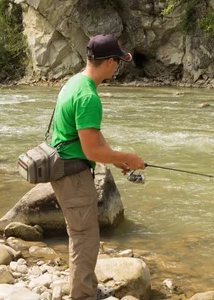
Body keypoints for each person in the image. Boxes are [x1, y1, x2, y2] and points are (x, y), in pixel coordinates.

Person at [50, 34, 145, 300]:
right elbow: (91, 149)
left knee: (82, 233)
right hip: (73, 175)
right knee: (84, 237)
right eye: (118, 61)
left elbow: (89, 137)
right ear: (110, 63)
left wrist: (117, 159)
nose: (117, 66)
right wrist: (130, 156)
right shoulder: (89, 97)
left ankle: (86, 288)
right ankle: (83, 296)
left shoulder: (74, 82)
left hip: (65, 169)